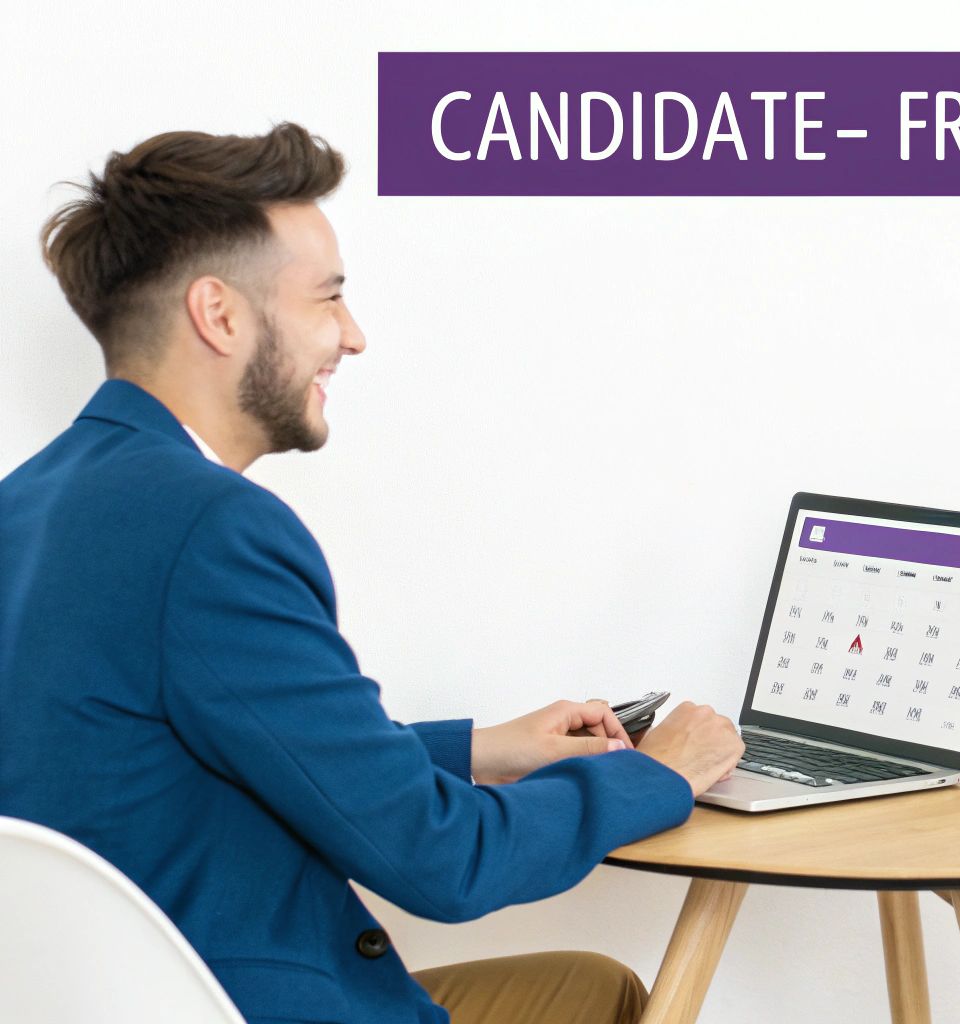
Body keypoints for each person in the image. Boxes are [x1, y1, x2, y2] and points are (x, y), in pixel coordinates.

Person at [0, 123, 746, 1024]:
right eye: (328, 298)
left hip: (124, 997)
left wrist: (483, 750)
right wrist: (659, 775)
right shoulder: (212, 530)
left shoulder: (31, 503)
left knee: (590, 989)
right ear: (220, 314)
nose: (352, 337)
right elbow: (442, 860)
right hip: (240, 1000)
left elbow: (190, 746)